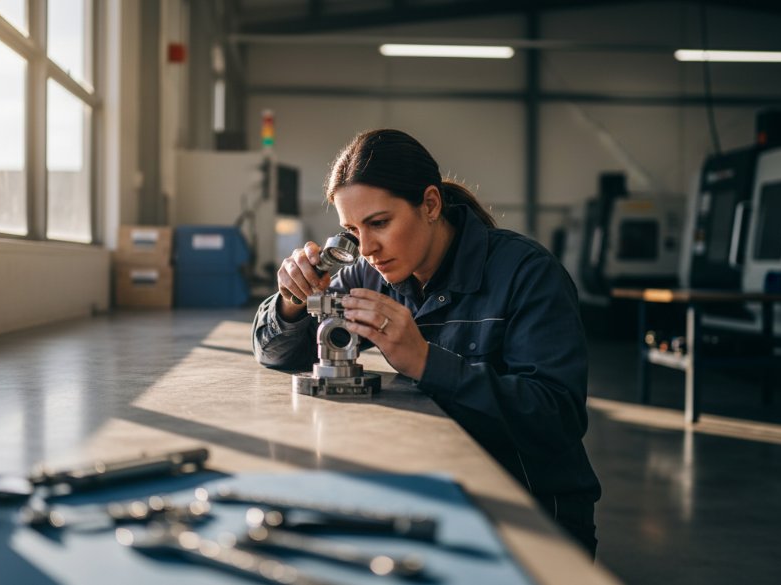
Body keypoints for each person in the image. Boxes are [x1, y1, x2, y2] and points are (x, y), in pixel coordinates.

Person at [251, 128, 601, 557]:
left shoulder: (526, 275)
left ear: (430, 204)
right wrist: (290, 302)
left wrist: (424, 361)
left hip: (532, 516)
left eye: (379, 223)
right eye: (352, 230)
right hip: (436, 499)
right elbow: (276, 354)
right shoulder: (370, 272)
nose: (366, 248)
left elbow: (557, 417)